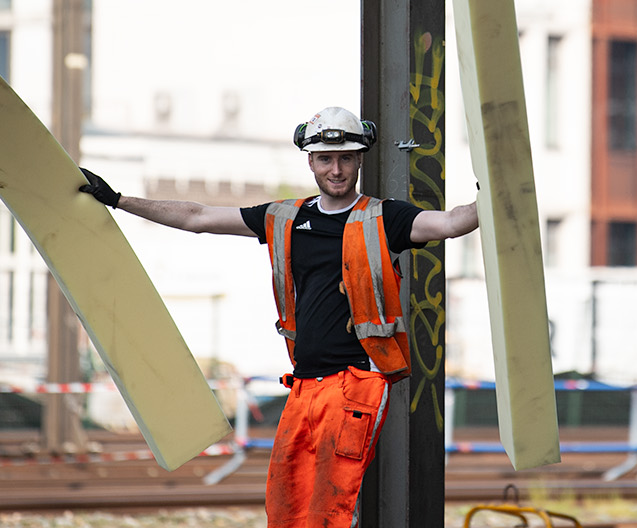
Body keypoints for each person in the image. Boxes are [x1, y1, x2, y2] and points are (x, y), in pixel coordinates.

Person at [78, 105, 479, 528]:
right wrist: (119, 201)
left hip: (355, 385)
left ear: (360, 159)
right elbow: (199, 218)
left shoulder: (385, 217)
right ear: (310, 161)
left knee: (329, 513)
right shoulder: (286, 217)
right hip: (303, 386)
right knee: (286, 510)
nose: (337, 169)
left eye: (346, 158)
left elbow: (450, 223)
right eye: (326, 159)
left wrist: (488, 197)